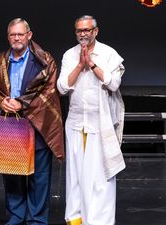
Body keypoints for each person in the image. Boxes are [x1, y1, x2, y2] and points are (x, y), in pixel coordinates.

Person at [0, 18, 65, 225]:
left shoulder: (45, 60)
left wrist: (22, 104)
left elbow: (48, 92)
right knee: (13, 177)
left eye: (20, 34)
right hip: (10, 125)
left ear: (29, 35)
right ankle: (16, 217)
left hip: (37, 126)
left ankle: (37, 220)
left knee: (39, 178)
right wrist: (1, 102)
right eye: (13, 34)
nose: (17, 38)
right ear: (8, 37)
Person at [57, 15, 126, 225]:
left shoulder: (108, 53)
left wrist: (92, 64)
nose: (83, 34)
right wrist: (79, 65)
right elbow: (61, 87)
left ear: (96, 31)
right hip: (77, 124)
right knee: (76, 176)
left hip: (101, 125)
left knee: (100, 179)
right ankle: (77, 219)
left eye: (87, 30)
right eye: (79, 30)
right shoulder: (70, 55)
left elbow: (113, 84)